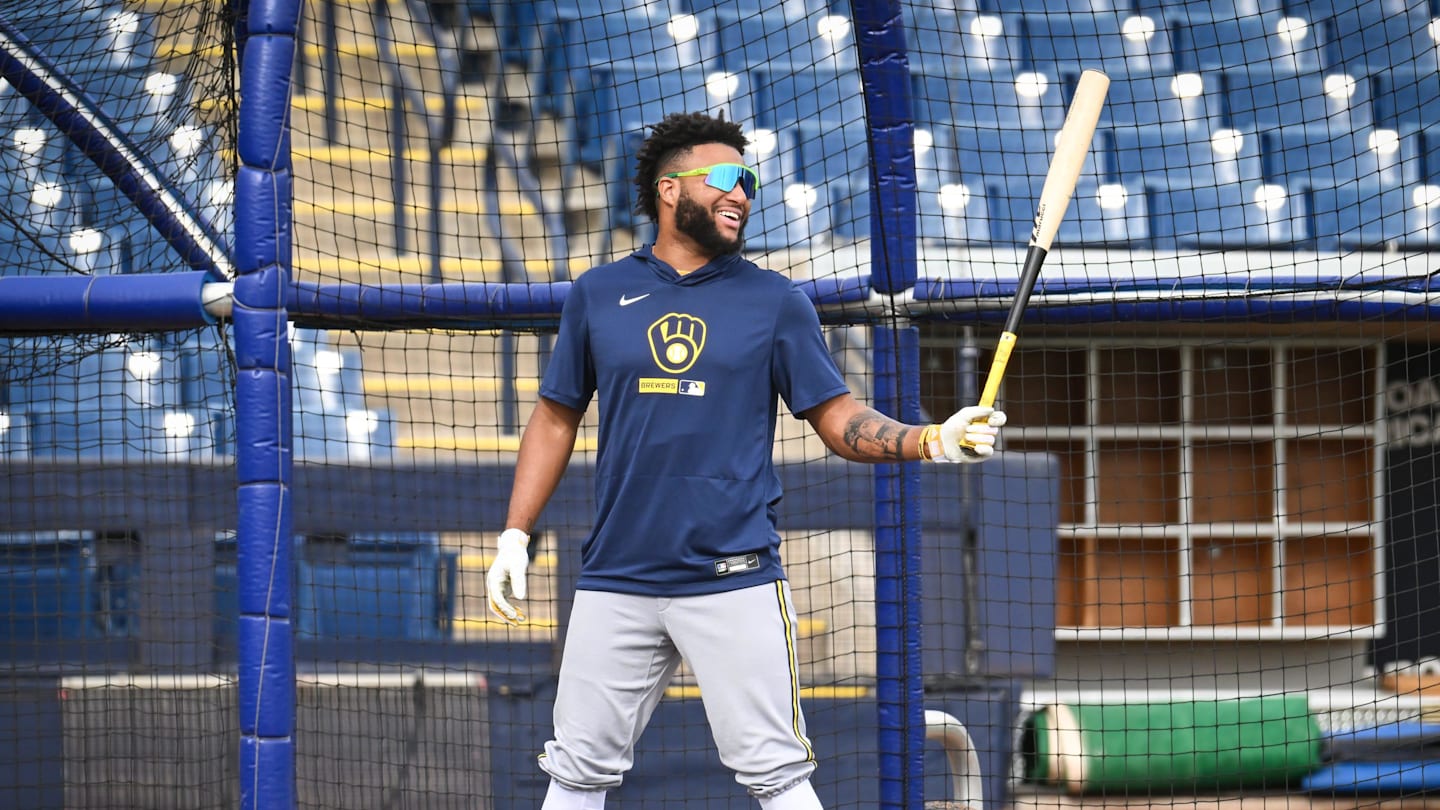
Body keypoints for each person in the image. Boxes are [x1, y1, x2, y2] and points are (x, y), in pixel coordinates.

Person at [485, 111, 1008, 810]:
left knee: (779, 778)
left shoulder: (774, 300)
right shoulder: (599, 293)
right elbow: (555, 416)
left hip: (733, 578)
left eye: (751, 182)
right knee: (575, 776)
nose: (744, 195)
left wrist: (932, 438)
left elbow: (838, 417)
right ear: (671, 189)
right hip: (617, 575)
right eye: (729, 177)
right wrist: (516, 533)